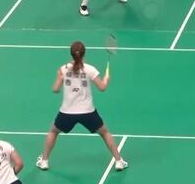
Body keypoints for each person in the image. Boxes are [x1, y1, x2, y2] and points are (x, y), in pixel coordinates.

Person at [37, 41, 128, 171]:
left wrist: (60, 76)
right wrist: (106, 79)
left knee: (53, 131)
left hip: (67, 113)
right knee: (104, 133)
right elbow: (102, 88)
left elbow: (55, 89)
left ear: (71, 54)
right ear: (84, 54)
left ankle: (44, 161)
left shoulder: (63, 69)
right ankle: (118, 161)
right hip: (88, 112)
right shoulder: (90, 69)